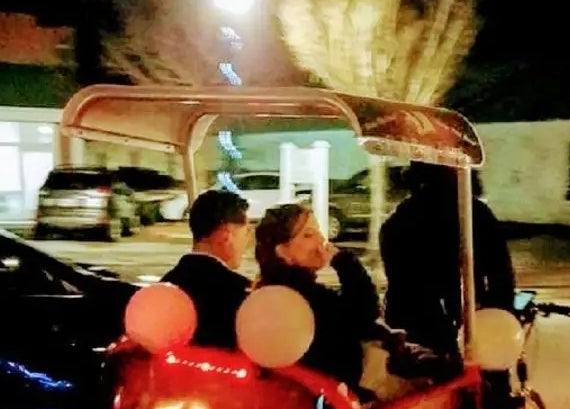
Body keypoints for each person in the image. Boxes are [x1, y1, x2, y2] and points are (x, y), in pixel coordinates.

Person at [379, 161, 517, 357]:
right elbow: (501, 276)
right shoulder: (474, 215)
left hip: (410, 327)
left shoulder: (399, 219)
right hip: (460, 324)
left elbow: (397, 279)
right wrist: (499, 317)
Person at [253, 203, 380, 388]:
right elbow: (362, 317)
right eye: (308, 235)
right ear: (283, 251)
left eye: (318, 232)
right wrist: (345, 263)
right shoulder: (300, 297)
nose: (320, 239)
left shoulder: (274, 288)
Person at [160, 188, 251, 349]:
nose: (247, 242)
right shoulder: (240, 293)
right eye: (246, 232)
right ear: (226, 235)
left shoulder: (166, 285)